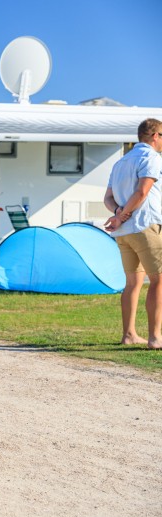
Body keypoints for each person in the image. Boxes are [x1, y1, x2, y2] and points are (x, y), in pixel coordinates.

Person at [103, 118, 162, 349]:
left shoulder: (120, 163)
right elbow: (142, 192)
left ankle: (129, 335)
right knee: (158, 280)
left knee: (132, 283)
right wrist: (122, 215)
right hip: (145, 226)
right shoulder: (151, 158)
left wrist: (118, 213)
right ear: (155, 135)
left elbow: (107, 198)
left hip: (124, 233)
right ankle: (156, 338)